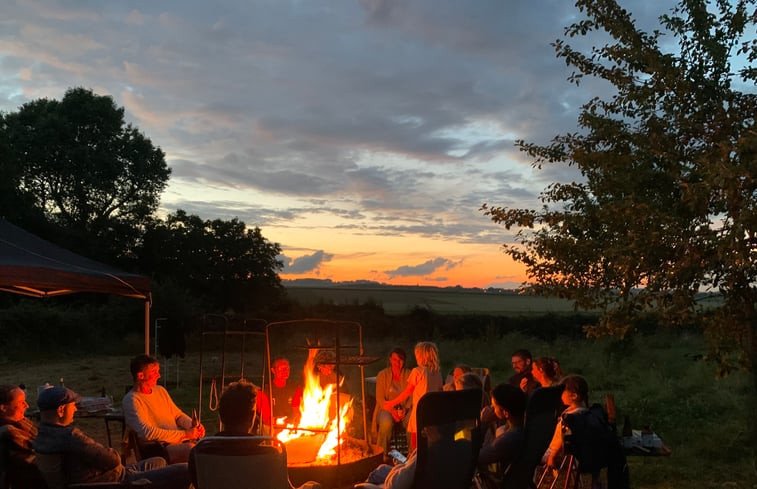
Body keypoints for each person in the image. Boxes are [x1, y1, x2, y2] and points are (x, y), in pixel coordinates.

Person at [32, 386, 190, 488]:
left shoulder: (42, 436)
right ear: (60, 410)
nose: (75, 409)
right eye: (72, 405)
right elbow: (113, 459)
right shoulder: (70, 437)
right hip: (118, 482)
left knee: (159, 461)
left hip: (108, 475)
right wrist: (112, 453)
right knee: (186, 470)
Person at [122, 354, 205, 463]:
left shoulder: (160, 391)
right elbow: (146, 433)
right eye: (154, 372)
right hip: (155, 448)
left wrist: (193, 425)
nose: (159, 375)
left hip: (174, 442)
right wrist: (184, 434)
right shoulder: (132, 400)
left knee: (207, 447)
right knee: (193, 451)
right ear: (140, 375)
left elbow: (177, 415)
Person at [383, 342, 443, 451]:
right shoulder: (437, 373)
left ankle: (413, 464)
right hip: (432, 413)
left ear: (421, 356)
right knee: (428, 444)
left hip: (419, 412)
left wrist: (391, 403)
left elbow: (407, 392)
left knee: (416, 445)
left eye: (417, 355)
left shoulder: (417, 371)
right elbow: (440, 393)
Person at [477, 383, 527, 486]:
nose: (491, 409)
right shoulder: (526, 428)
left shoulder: (507, 440)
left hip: (500, 482)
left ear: (505, 413)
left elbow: (474, 458)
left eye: (494, 406)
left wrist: (483, 424)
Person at [0, 384, 46, 489]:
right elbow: (41, 458)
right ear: (3, 408)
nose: (27, 406)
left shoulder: (20, 421)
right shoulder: (10, 432)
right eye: (21, 402)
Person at [372, 347, 411, 453]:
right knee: (386, 422)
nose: (397, 362)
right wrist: (392, 411)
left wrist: (406, 409)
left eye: (400, 360)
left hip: (405, 408)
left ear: (404, 361)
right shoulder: (382, 375)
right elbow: (380, 398)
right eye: (394, 359)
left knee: (412, 421)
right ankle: (382, 454)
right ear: (390, 360)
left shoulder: (409, 374)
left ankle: (412, 455)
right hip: (386, 408)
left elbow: (412, 395)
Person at [257, 357, 303, 427]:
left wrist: (296, 421)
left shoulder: (294, 389)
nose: (285, 371)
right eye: (281, 368)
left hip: (290, 427)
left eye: (287, 368)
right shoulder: (264, 391)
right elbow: (265, 419)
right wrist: (278, 421)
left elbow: (297, 411)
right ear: (273, 370)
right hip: (271, 428)